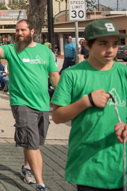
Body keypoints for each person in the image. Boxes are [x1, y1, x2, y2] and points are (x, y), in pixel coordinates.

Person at [52, 20, 127, 190]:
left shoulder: (124, 73)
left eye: (115, 44)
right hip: (88, 166)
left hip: (121, 167)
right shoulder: (72, 75)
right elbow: (57, 116)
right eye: (103, 43)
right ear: (87, 45)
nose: (110, 49)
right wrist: (86, 101)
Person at [0, 20, 59, 191]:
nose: (19, 33)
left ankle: (27, 167)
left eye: (23, 30)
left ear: (32, 31)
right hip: (22, 103)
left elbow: (54, 76)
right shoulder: (12, 50)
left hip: (42, 104)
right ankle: (40, 184)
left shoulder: (44, 51)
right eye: (17, 30)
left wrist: (64, 97)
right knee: (32, 143)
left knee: (34, 142)